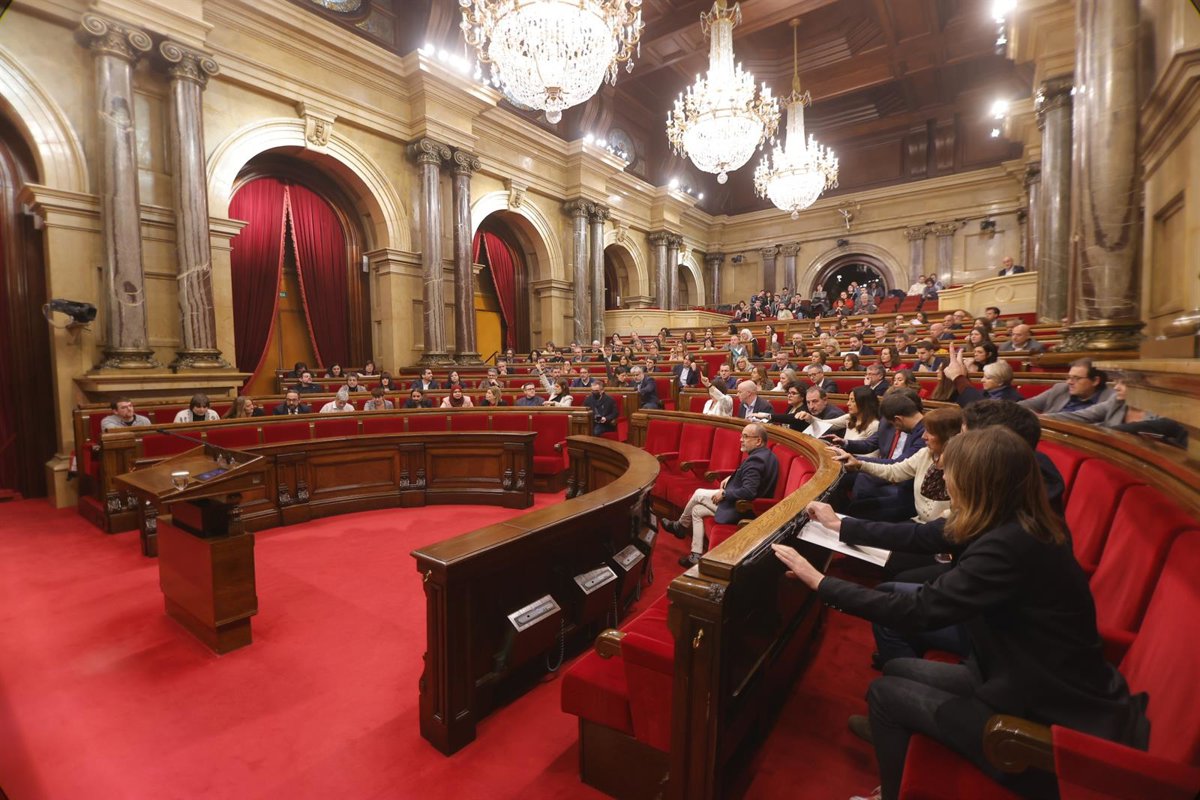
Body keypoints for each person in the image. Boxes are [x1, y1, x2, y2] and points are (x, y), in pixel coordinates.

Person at [773, 427, 1148, 800]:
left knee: (885, 694)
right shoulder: (1009, 517)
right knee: (899, 668)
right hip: (1010, 674)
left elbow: (919, 609)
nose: (943, 476)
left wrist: (821, 583)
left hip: (1041, 713)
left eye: (949, 470)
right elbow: (920, 537)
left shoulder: (1007, 547)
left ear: (976, 481)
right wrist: (840, 525)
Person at [663, 423, 780, 567]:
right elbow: (751, 478)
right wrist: (731, 478)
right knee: (697, 510)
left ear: (758, 441)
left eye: (745, 436)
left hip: (742, 509)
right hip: (743, 505)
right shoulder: (768, 456)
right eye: (741, 436)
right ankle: (695, 555)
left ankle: (680, 526)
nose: (741, 440)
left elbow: (749, 491)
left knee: (698, 493)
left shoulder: (755, 461)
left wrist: (725, 493)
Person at [831, 405, 963, 523]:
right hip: (918, 521)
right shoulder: (925, 453)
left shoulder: (964, 465)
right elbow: (894, 471)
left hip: (939, 530)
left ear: (947, 436)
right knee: (856, 509)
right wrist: (859, 464)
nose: (924, 436)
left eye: (930, 432)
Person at [1019, 358, 1113, 415]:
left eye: (1076, 378)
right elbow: (1027, 404)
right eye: (1069, 377)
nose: (1069, 382)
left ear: (1095, 381)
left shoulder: (1110, 400)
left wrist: (1042, 418)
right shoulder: (1061, 389)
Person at [822, 386, 881, 452]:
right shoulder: (849, 417)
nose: (848, 404)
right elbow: (824, 424)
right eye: (849, 400)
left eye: (852, 401)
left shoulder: (874, 425)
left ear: (864, 403)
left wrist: (841, 451)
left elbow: (871, 454)